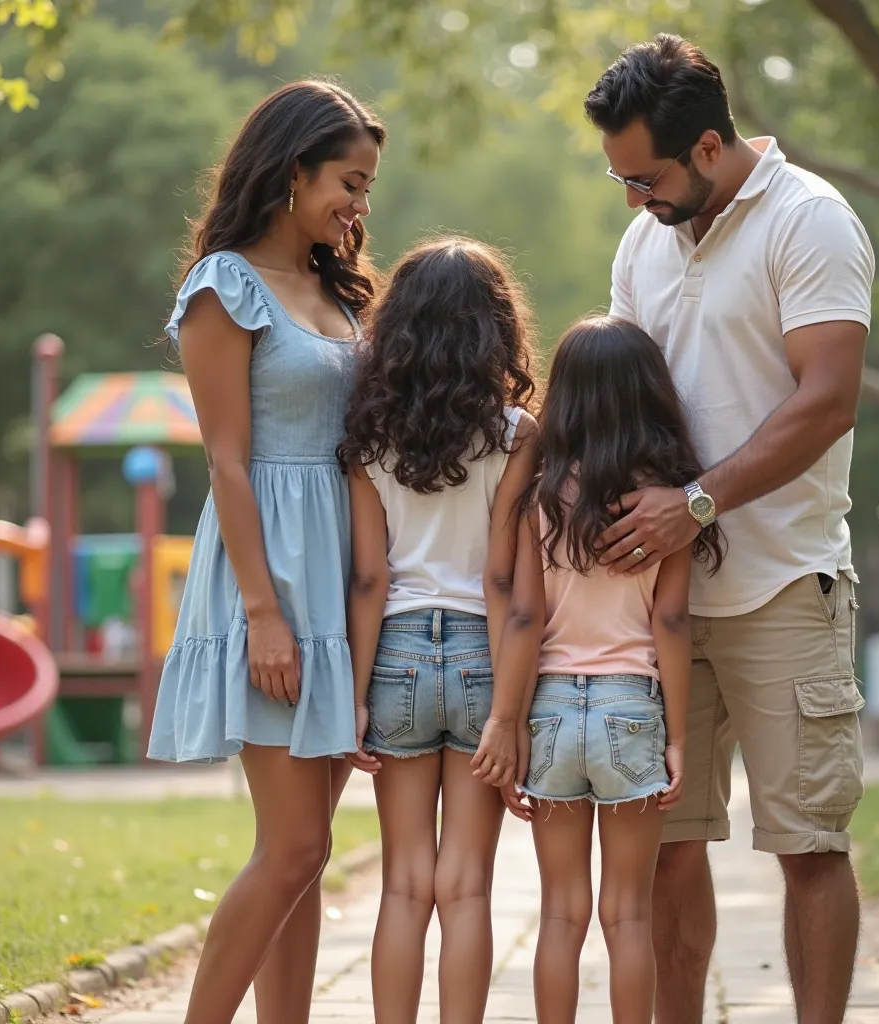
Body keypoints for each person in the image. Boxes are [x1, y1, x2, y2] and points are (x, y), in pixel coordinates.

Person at [583, 34, 875, 1024]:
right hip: (660, 604)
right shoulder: (642, 244)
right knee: (667, 846)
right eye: (621, 179)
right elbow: (622, 405)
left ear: (708, 147)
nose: (634, 201)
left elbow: (827, 398)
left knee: (807, 846)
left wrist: (696, 502)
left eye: (646, 177)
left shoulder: (810, 221)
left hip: (783, 585)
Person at [147, 81, 385, 1024]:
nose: (359, 206)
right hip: (269, 578)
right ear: (293, 171)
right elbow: (228, 462)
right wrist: (263, 614)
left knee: (311, 849)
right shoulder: (224, 287)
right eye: (347, 182)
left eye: (367, 188)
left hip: (336, 573)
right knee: (291, 846)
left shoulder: (336, 289)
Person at [476, 316, 724, 1024]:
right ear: (650, 394)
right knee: (628, 916)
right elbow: (670, 623)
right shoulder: (668, 504)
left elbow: (523, 618)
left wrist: (510, 721)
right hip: (631, 711)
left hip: (551, 712)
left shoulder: (542, 497)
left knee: (560, 914)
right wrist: (678, 735)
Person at [340, 237, 538, 1024]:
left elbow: (368, 579)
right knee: (467, 885)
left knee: (402, 882)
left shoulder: (365, 437)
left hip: (393, 660)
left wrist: (353, 697)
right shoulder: (517, 435)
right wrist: (509, 712)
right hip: (481, 659)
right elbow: (503, 580)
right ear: (494, 330)